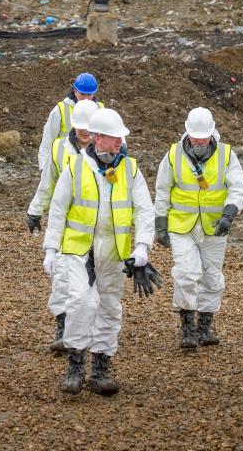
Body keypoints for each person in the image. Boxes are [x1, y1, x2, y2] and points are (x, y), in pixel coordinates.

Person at [42, 108, 155, 395]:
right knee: (81, 303)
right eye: (114, 137)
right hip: (79, 251)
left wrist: (142, 247)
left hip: (114, 254)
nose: (120, 142)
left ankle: (100, 369)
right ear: (98, 138)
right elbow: (57, 211)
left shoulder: (129, 169)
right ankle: (75, 365)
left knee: (109, 308)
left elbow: (144, 210)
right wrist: (51, 249)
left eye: (121, 138)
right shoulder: (76, 168)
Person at [154, 107, 243, 349]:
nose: (199, 141)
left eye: (203, 137)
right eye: (196, 137)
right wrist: (160, 222)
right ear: (187, 133)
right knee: (186, 272)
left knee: (212, 276)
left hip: (215, 226)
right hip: (181, 225)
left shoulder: (227, 155)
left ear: (212, 132)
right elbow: (163, 189)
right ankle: (187, 325)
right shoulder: (173, 155)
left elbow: (238, 187)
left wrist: (229, 214)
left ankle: (205, 324)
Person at [25, 99, 99, 353]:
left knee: (97, 281)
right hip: (67, 223)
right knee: (62, 278)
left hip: (100, 225)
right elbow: (47, 184)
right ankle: (63, 327)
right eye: (81, 128)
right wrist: (35, 211)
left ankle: (92, 330)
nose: (86, 133)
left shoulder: (111, 147)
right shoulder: (59, 149)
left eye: (90, 128)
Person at [37, 72, 103, 170]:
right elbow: (47, 141)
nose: (86, 98)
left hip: (92, 165)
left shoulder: (100, 109)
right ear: (75, 91)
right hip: (66, 164)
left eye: (89, 95)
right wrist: (44, 169)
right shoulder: (61, 109)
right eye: (82, 94)